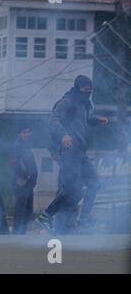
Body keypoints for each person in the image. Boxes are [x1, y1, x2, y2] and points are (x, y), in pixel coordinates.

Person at [38, 75, 108, 232]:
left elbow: (84, 120)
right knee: (70, 189)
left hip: (80, 152)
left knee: (93, 184)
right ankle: (46, 216)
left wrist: (96, 120)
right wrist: (64, 135)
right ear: (78, 88)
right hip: (69, 152)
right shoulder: (67, 102)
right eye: (85, 89)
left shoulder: (84, 104)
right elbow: (53, 120)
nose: (88, 93)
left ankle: (83, 220)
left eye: (90, 90)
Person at [10, 124, 37, 234]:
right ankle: (18, 232)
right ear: (19, 134)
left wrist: (33, 179)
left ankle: (23, 231)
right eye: (24, 132)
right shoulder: (17, 146)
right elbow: (14, 163)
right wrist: (24, 175)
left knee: (28, 208)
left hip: (29, 182)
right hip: (21, 181)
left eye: (28, 132)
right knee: (20, 208)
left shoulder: (26, 146)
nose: (27, 134)